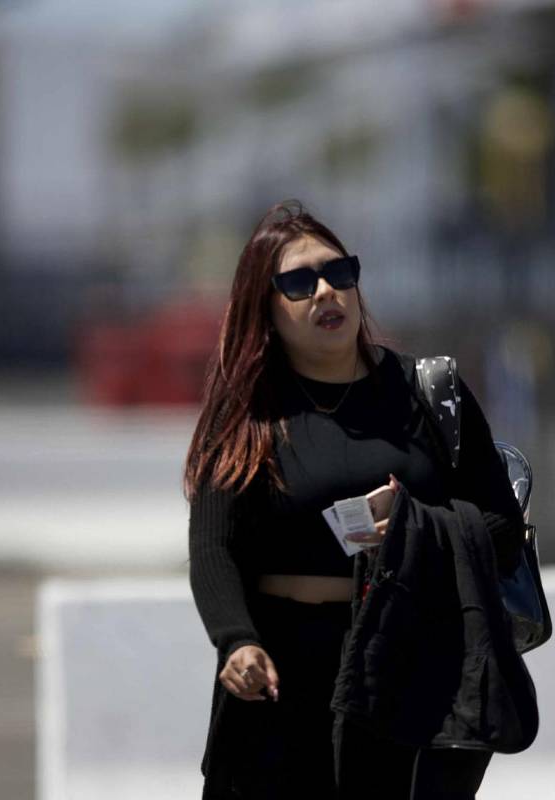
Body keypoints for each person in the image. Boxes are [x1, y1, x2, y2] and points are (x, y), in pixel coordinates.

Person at [184, 199, 533, 800]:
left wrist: (413, 524)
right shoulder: (247, 414)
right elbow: (213, 547)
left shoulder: (429, 392)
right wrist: (236, 640)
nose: (326, 291)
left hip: (403, 660)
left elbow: (502, 526)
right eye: (299, 282)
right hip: (281, 670)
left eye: (339, 272)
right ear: (264, 307)